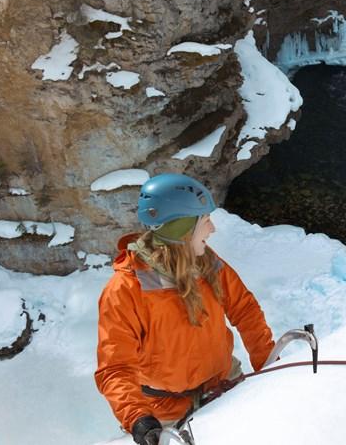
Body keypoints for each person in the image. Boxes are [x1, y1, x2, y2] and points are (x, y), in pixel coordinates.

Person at [95, 173, 275, 445]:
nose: (212, 229)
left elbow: (244, 309)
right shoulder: (126, 289)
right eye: (205, 221)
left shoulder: (208, 264)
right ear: (182, 230)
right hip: (165, 413)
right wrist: (138, 419)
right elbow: (115, 368)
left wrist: (267, 366)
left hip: (224, 386)